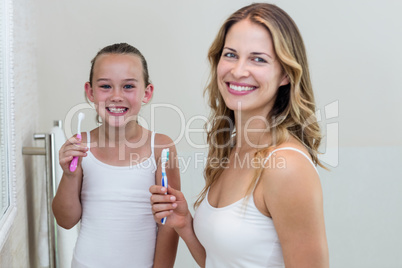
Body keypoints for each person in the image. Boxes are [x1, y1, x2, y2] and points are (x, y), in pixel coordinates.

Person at [150, 3, 329, 268]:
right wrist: (185, 224)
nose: (238, 70)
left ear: (286, 74)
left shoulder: (286, 167)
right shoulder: (233, 150)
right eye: (231, 54)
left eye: (258, 59)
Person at [52, 43, 180, 268]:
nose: (116, 96)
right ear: (90, 92)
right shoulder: (81, 146)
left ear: (146, 93)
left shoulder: (161, 147)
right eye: (105, 86)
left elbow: (169, 223)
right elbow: (65, 220)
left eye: (128, 86)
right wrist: (70, 176)